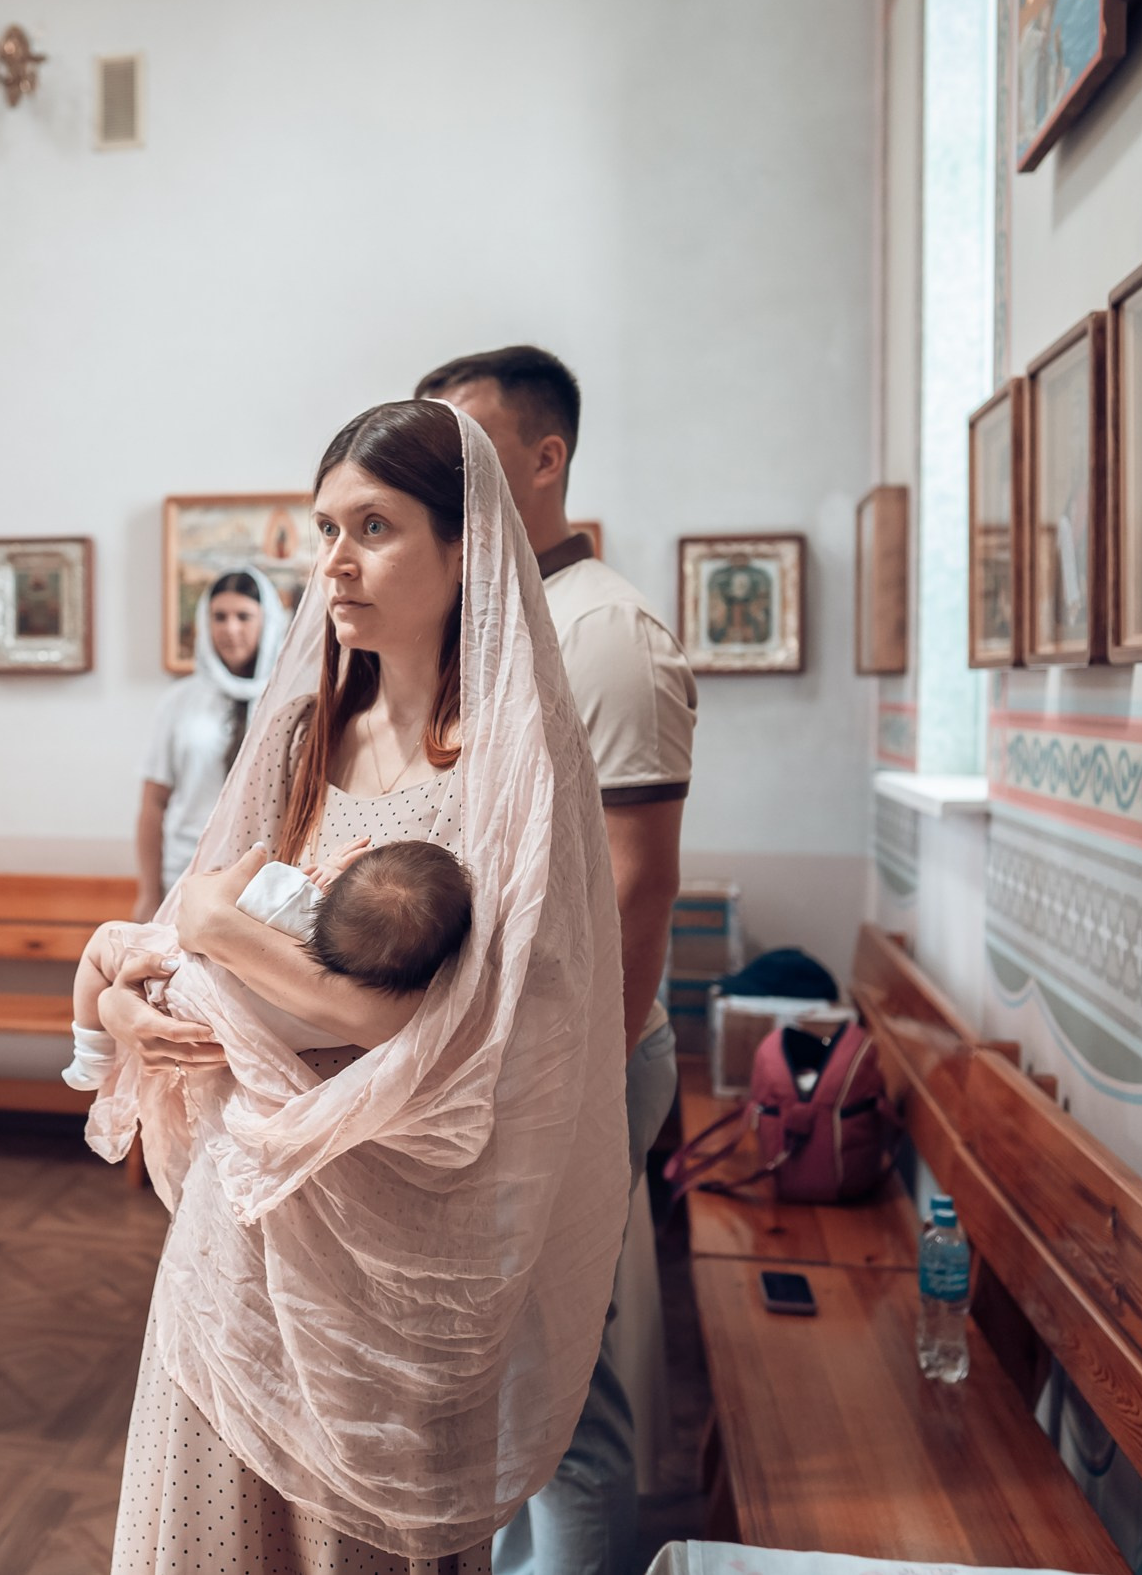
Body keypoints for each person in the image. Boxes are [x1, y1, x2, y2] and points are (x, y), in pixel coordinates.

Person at [92, 399, 630, 1571]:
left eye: (373, 526)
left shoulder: (507, 758)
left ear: (462, 547)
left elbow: (445, 1020)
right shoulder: (299, 738)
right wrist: (127, 1004)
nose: (332, 560)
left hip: (397, 1244)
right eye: (324, 528)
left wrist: (217, 929)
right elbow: (181, 934)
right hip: (244, 1213)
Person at [418, 346, 696, 1575]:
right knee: (496, 1400)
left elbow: (639, 881)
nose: (448, 472)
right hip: (490, 1062)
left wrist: (581, 1094)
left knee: (562, 1411)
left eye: (470, 442)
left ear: (546, 456)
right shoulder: (484, 618)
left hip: (574, 1061)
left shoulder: (605, 632)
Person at [63, 837, 471, 1093]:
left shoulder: (291, 905)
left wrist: (317, 877)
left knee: (102, 943)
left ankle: (91, 1056)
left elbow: (214, 894)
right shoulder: (357, 1010)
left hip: (172, 977)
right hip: (217, 1038)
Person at [136, 568, 291, 919]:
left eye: (243, 616)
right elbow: (152, 803)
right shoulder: (179, 701)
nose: (230, 628)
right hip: (185, 871)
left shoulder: (290, 699)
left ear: (268, 623)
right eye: (219, 617)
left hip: (266, 879)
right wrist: (147, 892)